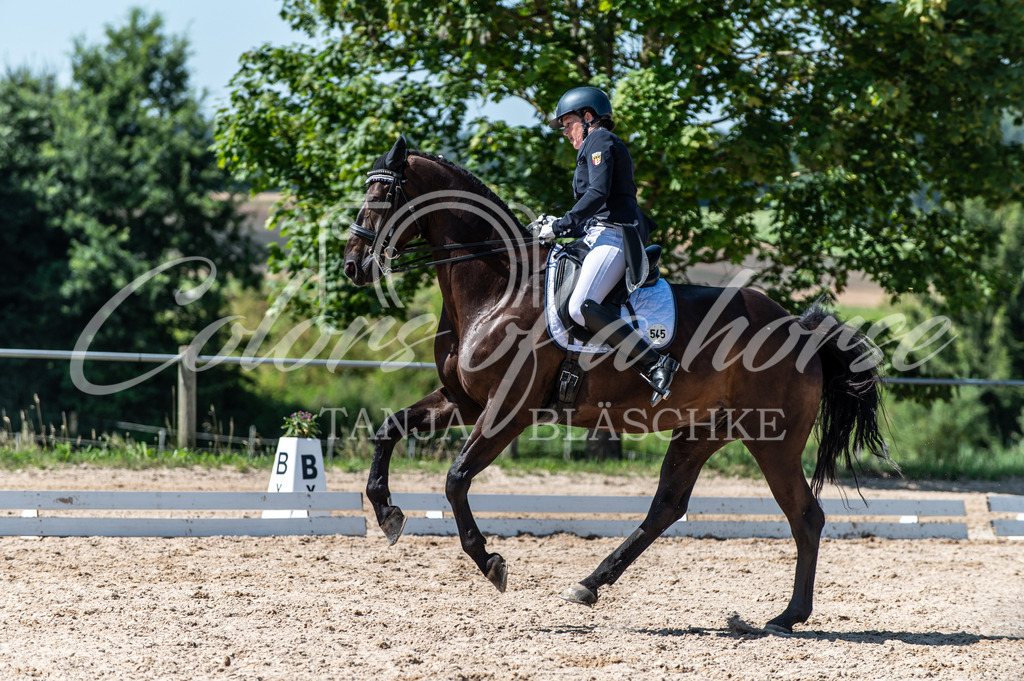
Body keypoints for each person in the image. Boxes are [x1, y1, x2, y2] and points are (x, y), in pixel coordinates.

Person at [530, 86, 679, 406]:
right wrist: (559, 224)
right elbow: (596, 205)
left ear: (588, 117)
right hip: (598, 234)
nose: (566, 133)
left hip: (616, 235)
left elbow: (596, 195)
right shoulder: (592, 145)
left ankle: (655, 363)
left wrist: (560, 226)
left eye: (568, 124)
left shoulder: (601, 141)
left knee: (580, 305)